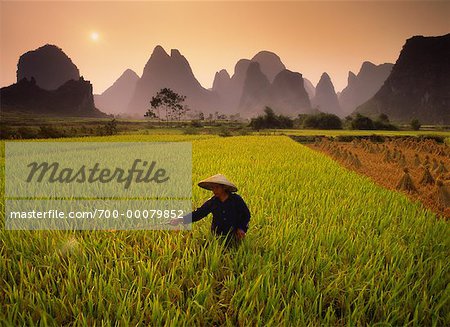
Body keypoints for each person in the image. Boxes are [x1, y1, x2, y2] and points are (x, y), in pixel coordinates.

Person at [169, 174, 251, 246]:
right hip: (217, 236)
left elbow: (246, 214)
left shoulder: (236, 199)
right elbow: (199, 213)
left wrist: (241, 228)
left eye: (217, 188)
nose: (214, 191)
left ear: (224, 188)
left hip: (234, 235)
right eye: (213, 188)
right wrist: (180, 219)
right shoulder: (213, 202)